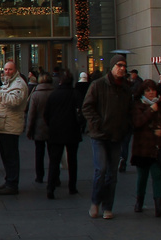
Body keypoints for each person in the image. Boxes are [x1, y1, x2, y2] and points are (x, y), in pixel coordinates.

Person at [81, 58, 134, 219]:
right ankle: (96, 202)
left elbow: (129, 111)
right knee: (101, 169)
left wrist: (126, 127)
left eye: (124, 66)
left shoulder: (125, 88)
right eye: (119, 65)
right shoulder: (98, 85)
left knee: (112, 173)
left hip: (116, 134)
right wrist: (98, 123)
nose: (122, 69)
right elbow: (87, 107)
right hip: (100, 134)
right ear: (112, 67)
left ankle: (108, 206)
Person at [130, 78, 161, 217]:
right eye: (148, 90)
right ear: (143, 92)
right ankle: (139, 201)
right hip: (142, 147)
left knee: (157, 175)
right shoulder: (138, 105)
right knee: (142, 176)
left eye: (153, 90)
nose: (151, 93)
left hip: (157, 146)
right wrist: (151, 110)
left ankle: (158, 204)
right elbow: (137, 122)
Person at [0, 60, 28, 195]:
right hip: (3, 124)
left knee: (11, 156)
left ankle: (12, 183)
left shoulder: (19, 84)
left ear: (16, 70)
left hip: (10, 125)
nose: (7, 72)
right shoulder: (9, 83)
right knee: (6, 155)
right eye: (5, 69)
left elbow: (14, 101)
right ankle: (9, 181)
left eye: (10, 69)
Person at [43, 69, 81, 198]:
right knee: (73, 160)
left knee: (54, 161)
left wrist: (51, 125)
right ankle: (72, 186)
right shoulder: (75, 94)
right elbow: (81, 113)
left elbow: (46, 114)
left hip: (56, 131)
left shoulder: (53, 95)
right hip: (72, 131)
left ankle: (51, 187)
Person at [25, 70, 53, 185]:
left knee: (39, 153)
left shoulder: (36, 94)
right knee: (53, 154)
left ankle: (39, 176)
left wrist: (29, 130)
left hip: (39, 127)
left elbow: (31, 114)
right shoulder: (54, 92)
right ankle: (54, 176)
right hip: (53, 127)